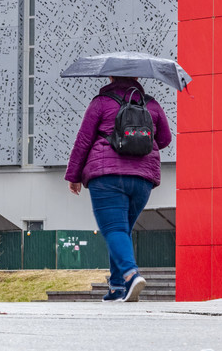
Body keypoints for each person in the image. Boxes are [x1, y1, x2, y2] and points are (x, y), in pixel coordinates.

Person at [65, 76, 171, 302]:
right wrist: (138, 143)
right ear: (138, 77)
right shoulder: (151, 104)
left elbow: (83, 141)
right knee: (121, 230)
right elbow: (164, 138)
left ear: (111, 77)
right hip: (143, 179)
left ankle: (131, 275)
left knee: (114, 229)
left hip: (107, 176)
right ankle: (116, 288)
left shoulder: (101, 103)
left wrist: (74, 176)